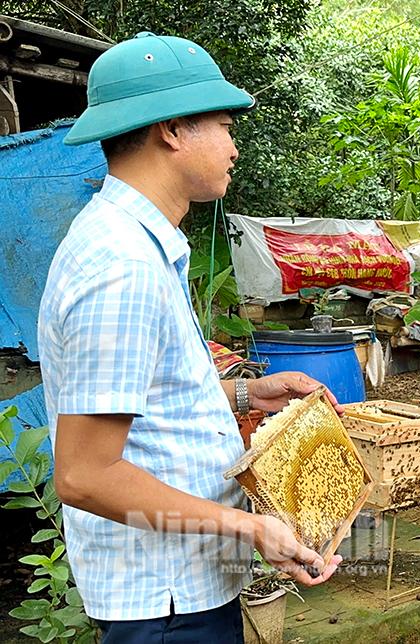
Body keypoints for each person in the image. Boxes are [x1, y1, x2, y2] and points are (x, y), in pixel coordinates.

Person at [38, 32, 343, 643]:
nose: (234, 147)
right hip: (165, 602)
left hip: (182, 589)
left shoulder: (137, 246)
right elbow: (86, 473)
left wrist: (243, 396)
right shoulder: (122, 266)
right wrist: (247, 527)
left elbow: (143, 405)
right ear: (173, 130)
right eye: (225, 126)